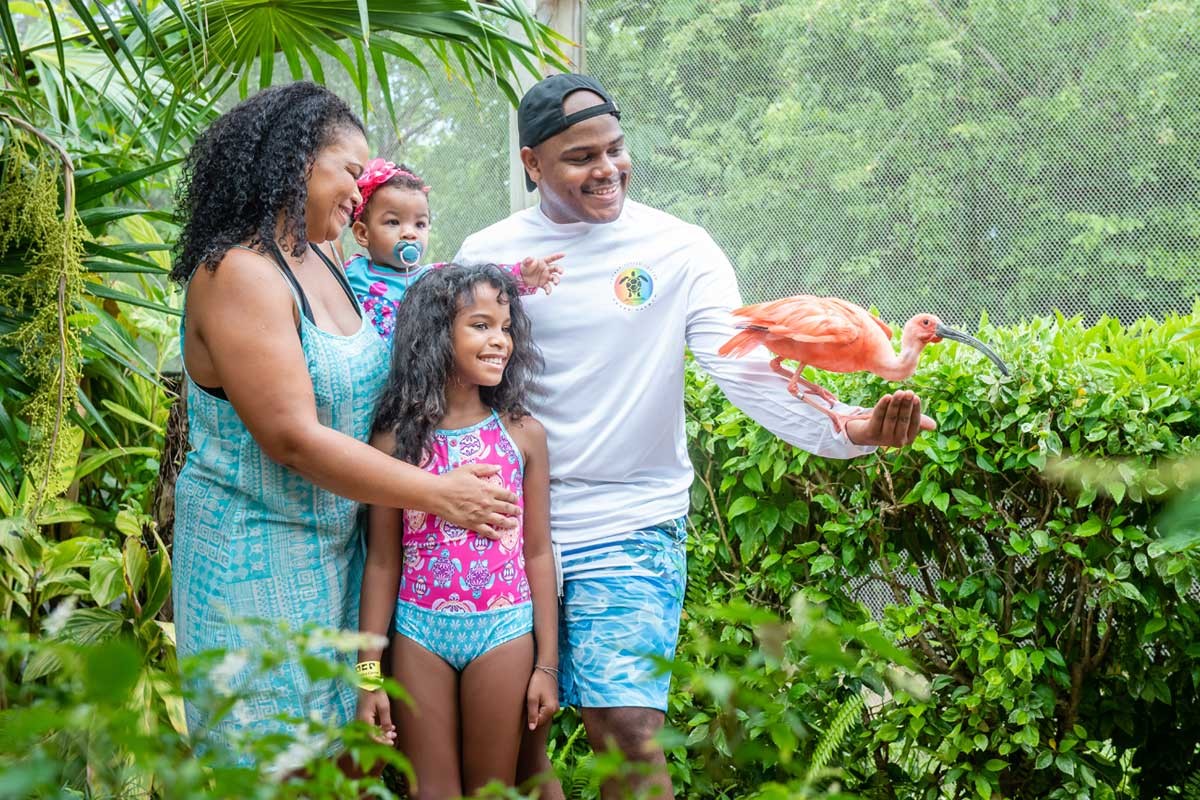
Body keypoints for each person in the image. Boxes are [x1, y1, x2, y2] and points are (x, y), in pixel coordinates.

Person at [455, 73, 936, 798]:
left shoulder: (679, 248)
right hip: (503, 523)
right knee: (519, 747)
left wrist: (851, 430)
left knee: (627, 731)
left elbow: (741, 368)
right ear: (532, 165)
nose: (606, 169)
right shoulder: (486, 253)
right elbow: (448, 381)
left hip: (629, 522)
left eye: (615, 149)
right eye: (580, 157)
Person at [169, 82, 520, 760]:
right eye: (351, 172)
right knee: (279, 770)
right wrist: (440, 493)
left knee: (345, 765)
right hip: (255, 567)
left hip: (339, 558)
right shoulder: (239, 272)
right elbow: (293, 439)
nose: (362, 192)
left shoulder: (323, 257)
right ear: (297, 161)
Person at [354, 264, 558, 797]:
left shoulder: (523, 435)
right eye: (481, 325)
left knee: (492, 789)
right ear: (435, 335)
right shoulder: (395, 443)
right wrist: (368, 677)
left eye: (507, 327)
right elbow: (381, 560)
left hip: (503, 631)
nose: (500, 341)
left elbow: (537, 554)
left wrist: (548, 667)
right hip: (418, 634)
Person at [344, 158, 564, 338]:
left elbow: (479, 282)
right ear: (363, 234)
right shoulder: (351, 272)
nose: (409, 233)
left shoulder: (435, 277)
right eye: (393, 222)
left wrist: (522, 276)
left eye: (420, 224)